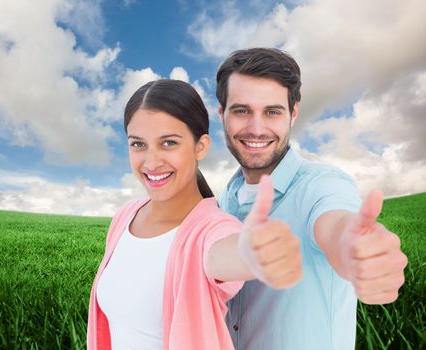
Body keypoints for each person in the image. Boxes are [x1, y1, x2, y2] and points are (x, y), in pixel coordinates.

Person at [87, 79, 303, 350]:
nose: (151, 161)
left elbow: (224, 254)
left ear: (200, 146)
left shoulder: (211, 229)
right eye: (138, 145)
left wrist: (253, 253)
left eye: (168, 143)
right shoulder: (125, 216)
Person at [216, 48, 408, 350]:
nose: (255, 128)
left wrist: (352, 250)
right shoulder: (222, 201)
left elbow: (335, 225)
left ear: (293, 113)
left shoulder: (322, 185)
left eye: (272, 111)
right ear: (221, 114)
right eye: (241, 110)